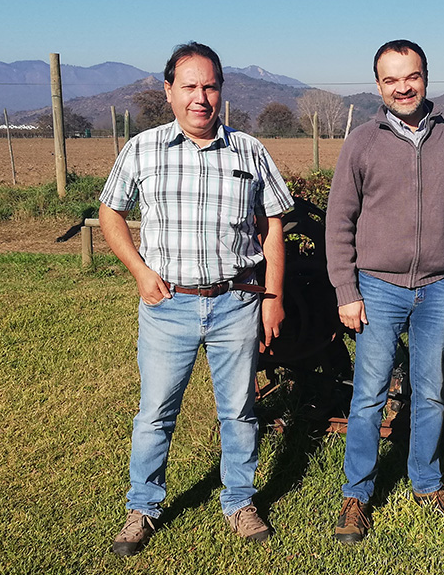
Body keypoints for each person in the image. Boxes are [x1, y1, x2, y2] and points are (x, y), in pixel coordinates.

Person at [100, 42, 293, 556]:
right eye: (189, 87)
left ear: (221, 91)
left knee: (239, 411)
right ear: (169, 92)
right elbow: (110, 213)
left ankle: (239, 501)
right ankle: (142, 507)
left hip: (236, 303)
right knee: (155, 413)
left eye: (210, 86)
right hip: (169, 306)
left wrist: (272, 296)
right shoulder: (142, 150)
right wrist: (140, 271)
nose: (201, 97)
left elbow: (274, 227)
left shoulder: (250, 151)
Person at [325, 39, 444, 544]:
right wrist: (346, 288)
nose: (402, 87)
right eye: (391, 79)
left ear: (425, 77)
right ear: (378, 86)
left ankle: (427, 481)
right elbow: (339, 220)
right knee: (369, 395)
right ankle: (357, 494)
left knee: (432, 390)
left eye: (410, 76)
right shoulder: (362, 141)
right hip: (377, 288)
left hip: (438, 287)